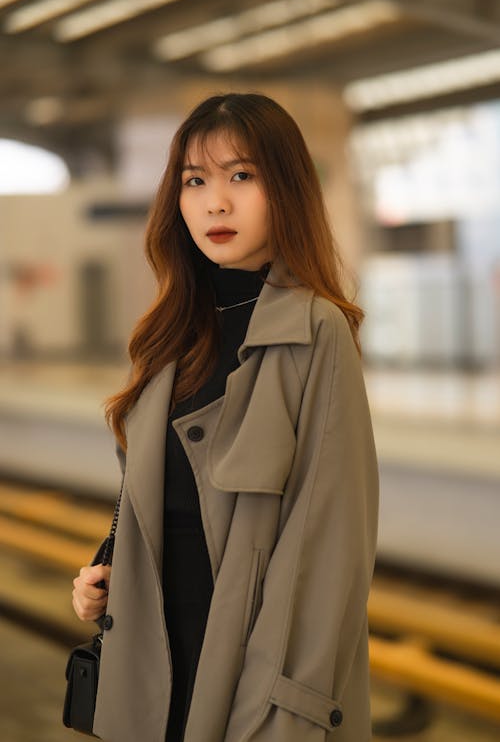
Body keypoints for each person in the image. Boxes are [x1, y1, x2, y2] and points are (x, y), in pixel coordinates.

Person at [71, 92, 379, 742]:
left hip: (253, 686)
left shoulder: (316, 331)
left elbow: (330, 552)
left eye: (242, 176)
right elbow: (154, 505)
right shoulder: (167, 335)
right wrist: (104, 572)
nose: (216, 201)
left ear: (286, 188)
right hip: (152, 669)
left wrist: (282, 711)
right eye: (195, 180)